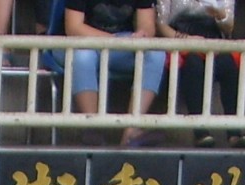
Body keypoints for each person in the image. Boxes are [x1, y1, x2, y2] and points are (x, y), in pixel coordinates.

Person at [62, 0, 169, 142]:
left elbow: (147, 26)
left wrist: (142, 35)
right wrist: (114, 40)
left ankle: (131, 131)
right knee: (83, 56)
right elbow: (73, 28)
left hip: (123, 44)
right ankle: (92, 128)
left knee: (156, 55)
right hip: (82, 42)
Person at [156, 0, 245, 145]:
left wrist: (219, 13)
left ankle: (235, 132)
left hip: (213, 40)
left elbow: (228, 27)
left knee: (229, 64)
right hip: (180, 38)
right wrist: (186, 39)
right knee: (193, 64)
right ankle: (201, 132)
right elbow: (161, 25)